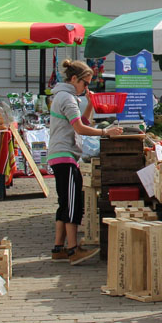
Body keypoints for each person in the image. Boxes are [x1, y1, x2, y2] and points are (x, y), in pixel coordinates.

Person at [48, 60, 123, 265]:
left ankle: (58, 248)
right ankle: (72, 250)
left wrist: (90, 104)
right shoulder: (67, 99)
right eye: (85, 83)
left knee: (65, 202)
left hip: (61, 155)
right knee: (73, 204)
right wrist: (105, 132)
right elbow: (80, 129)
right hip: (65, 156)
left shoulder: (64, 96)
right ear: (74, 79)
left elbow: (82, 122)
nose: (86, 88)